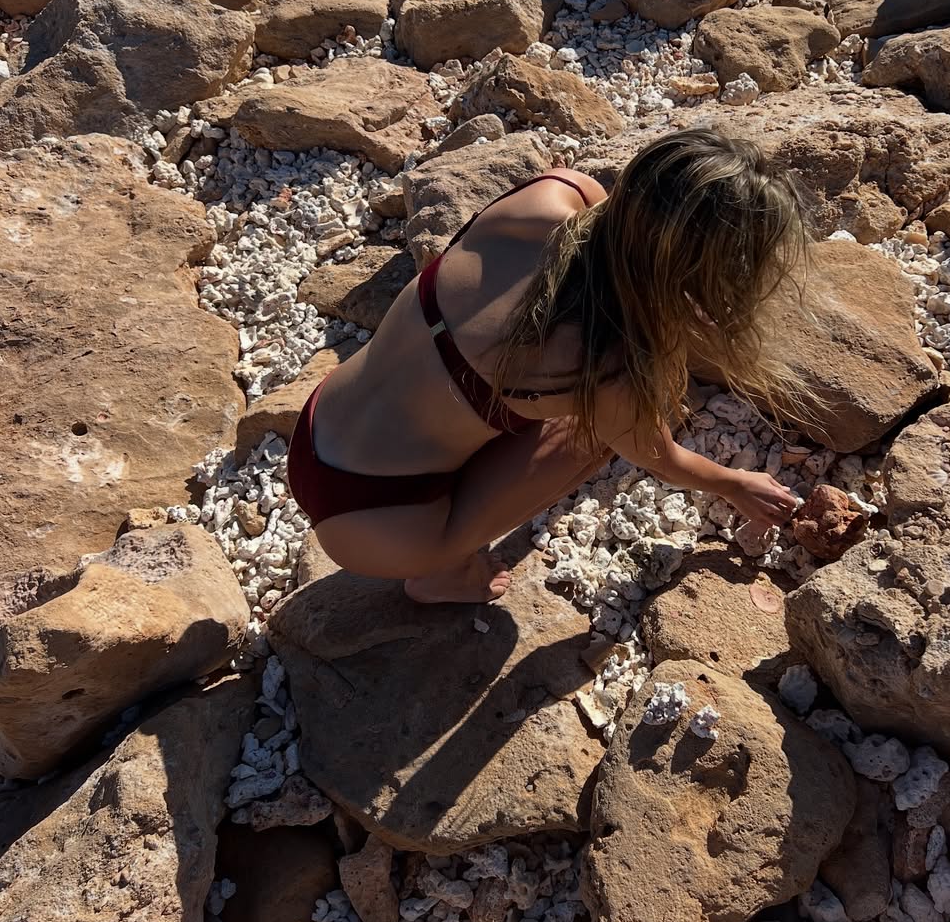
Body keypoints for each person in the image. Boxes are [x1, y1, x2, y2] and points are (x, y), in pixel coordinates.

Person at [287, 129, 806, 604]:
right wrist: (735, 484)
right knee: (598, 431)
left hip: (317, 429)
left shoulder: (558, 194)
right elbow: (662, 459)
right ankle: (445, 574)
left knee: (515, 398)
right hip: (378, 524)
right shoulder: (610, 365)